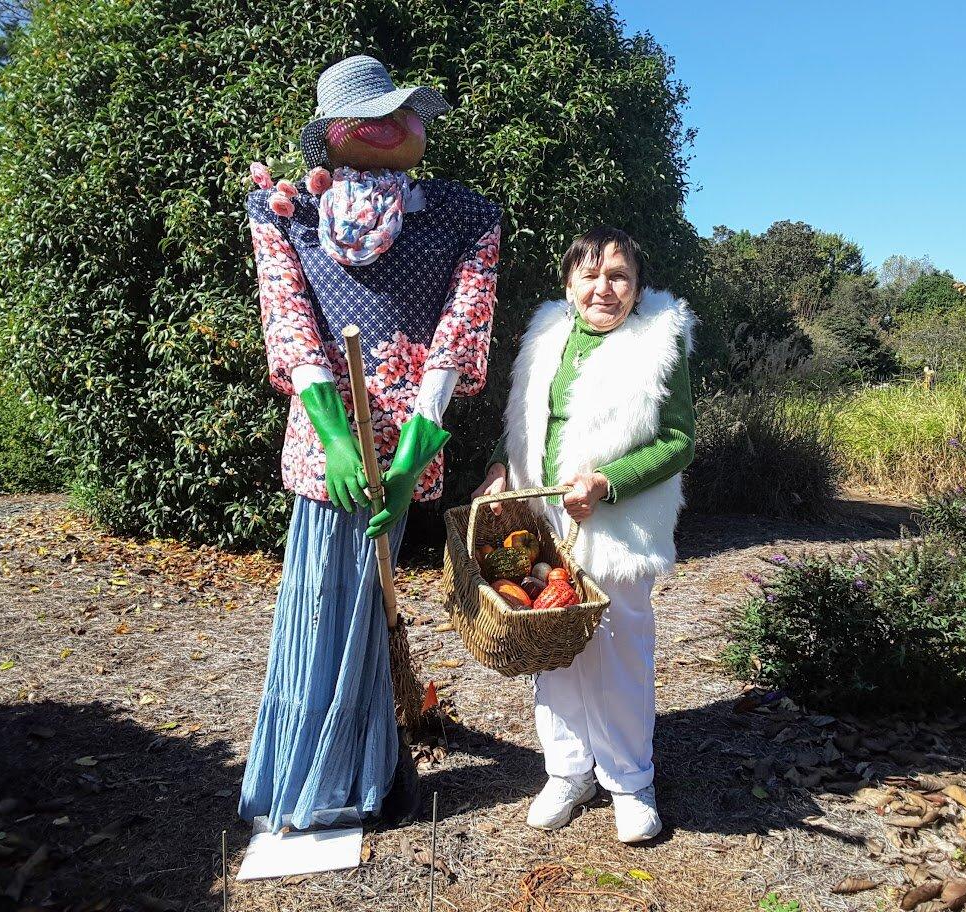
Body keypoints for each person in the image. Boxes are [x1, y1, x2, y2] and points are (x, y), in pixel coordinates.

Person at [240, 56, 501, 832]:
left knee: (368, 607)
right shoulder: (283, 212)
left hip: (410, 438)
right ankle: (313, 779)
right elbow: (289, 324)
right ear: (333, 135)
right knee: (320, 601)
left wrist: (407, 463)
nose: (394, 126)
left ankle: (370, 767)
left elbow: (460, 337)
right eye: (374, 114)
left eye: (403, 113)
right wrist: (339, 441)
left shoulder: (464, 216)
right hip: (330, 444)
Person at [475, 226, 695, 843]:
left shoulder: (660, 342)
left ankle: (630, 780)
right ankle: (568, 771)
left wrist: (607, 482)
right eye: (591, 275)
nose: (605, 288)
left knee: (621, 651)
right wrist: (498, 466)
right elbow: (522, 424)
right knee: (554, 648)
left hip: (618, 528)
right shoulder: (546, 337)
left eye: (619, 276)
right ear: (569, 284)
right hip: (545, 524)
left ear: (637, 286)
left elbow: (680, 441)